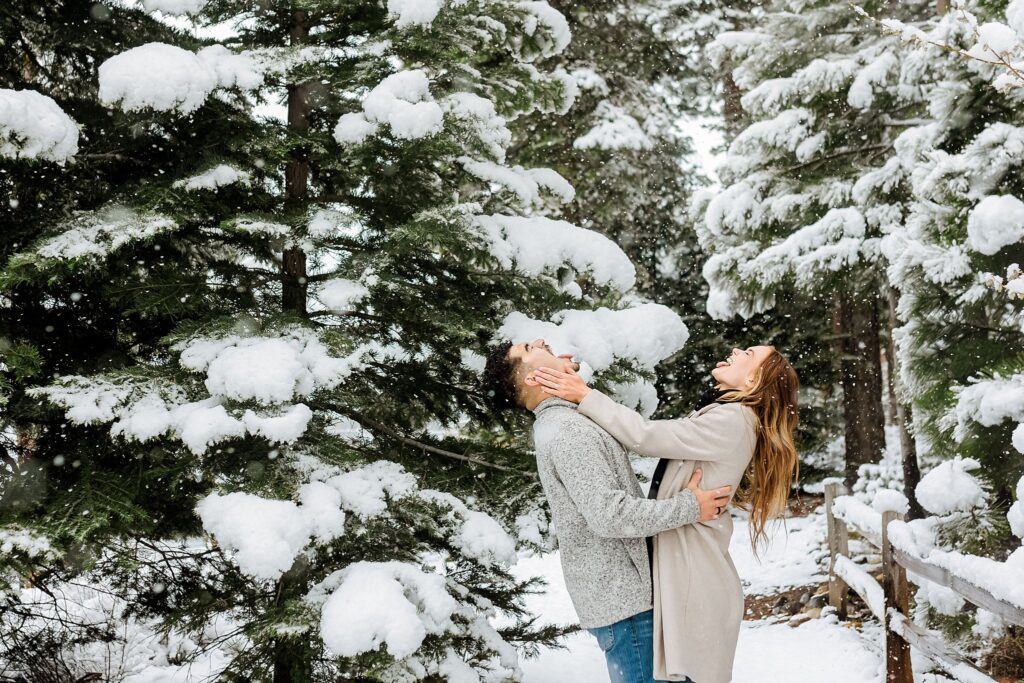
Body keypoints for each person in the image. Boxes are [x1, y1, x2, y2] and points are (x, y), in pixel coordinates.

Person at [533, 345, 800, 683]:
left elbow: (645, 436)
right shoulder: (725, 414)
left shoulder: (733, 420)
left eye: (747, 352)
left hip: (694, 575)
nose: (735, 350)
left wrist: (584, 394)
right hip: (687, 567)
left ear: (754, 378)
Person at [480, 338, 733, 683]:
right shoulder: (569, 431)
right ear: (533, 378)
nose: (541, 341)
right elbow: (609, 515)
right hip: (627, 606)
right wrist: (690, 507)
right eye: (529, 347)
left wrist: (565, 371)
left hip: (626, 600)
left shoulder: (566, 421)